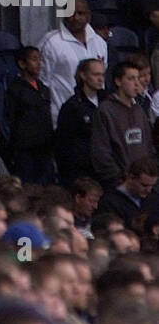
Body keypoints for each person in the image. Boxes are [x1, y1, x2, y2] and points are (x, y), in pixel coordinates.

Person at [38, 0, 107, 125]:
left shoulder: (100, 42)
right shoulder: (51, 42)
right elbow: (42, 84)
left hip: (96, 117)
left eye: (80, 13)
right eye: (71, 13)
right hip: (63, 118)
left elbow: (102, 80)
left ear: (89, 16)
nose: (75, 18)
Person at [90, 59, 156, 188]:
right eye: (131, 79)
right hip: (119, 185)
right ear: (118, 81)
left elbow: (149, 146)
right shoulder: (105, 110)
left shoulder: (139, 110)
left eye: (138, 78)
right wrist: (119, 180)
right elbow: (101, 153)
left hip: (143, 184)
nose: (136, 83)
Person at [5, 45, 55, 184]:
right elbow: (11, 118)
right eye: (34, 59)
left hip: (44, 147)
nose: (39, 63)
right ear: (22, 63)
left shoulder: (43, 89)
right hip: (26, 149)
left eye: (40, 59)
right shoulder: (15, 89)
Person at [54, 57, 106, 188]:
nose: (101, 79)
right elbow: (63, 145)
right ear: (83, 75)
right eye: (96, 74)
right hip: (81, 172)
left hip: (104, 169)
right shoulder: (72, 107)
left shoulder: (108, 102)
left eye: (102, 75)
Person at [96, 157, 159, 226]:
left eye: (151, 185)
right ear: (130, 178)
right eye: (144, 185)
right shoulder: (109, 203)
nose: (148, 190)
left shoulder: (153, 198)